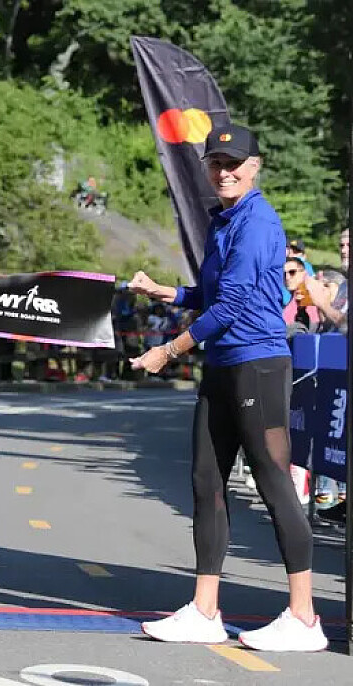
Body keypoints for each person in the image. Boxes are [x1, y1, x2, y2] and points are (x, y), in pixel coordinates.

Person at [127, 124, 327, 651]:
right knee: (206, 481)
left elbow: (233, 306)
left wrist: (168, 351)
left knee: (273, 482)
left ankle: (304, 617)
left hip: (258, 365)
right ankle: (205, 610)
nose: (224, 171)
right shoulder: (224, 220)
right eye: (216, 162)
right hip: (222, 365)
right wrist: (166, 292)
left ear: (255, 166)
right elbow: (213, 293)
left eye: (234, 162)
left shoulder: (257, 222)